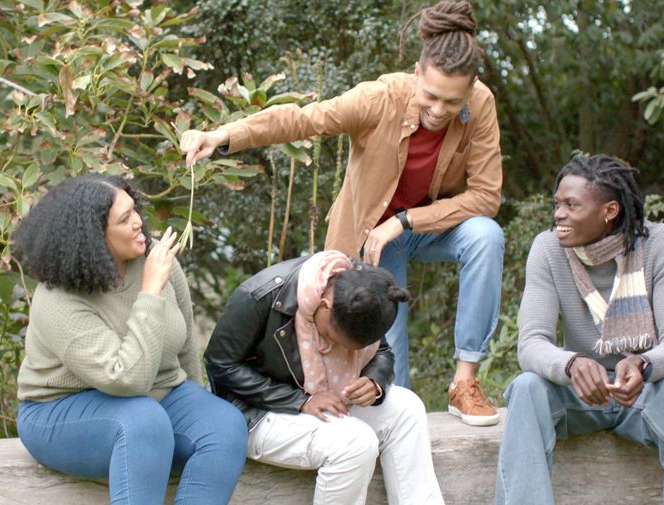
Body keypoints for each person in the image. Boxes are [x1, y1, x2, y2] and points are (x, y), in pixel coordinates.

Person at [182, 0, 504, 426]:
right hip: (368, 240)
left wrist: (404, 221)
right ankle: (393, 429)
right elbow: (302, 120)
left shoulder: (480, 104)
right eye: (431, 96)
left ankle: (464, 382)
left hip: (424, 228)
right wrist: (224, 135)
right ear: (415, 74)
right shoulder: (379, 98)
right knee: (391, 368)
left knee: (486, 235)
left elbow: (486, 195)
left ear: (471, 87)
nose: (439, 111)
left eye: (452, 101)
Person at [493, 155, 664, 505]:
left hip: (644, 392)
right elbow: (531, 344)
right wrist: (570, 364)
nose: (559, 214)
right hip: (580, 394)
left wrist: (645, 364)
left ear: (610, 211)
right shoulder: (548, 248)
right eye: (556, 204)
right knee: (526, 386)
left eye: (571, 206)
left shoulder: (661, 245)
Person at [12, 174, 248, 505]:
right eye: (124, 220)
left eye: (134, 209)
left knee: (224, 425)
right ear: (91, 238)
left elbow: (186, 340)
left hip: (155, 398)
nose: (139, 221)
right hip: (60, 411)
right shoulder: (58, 300)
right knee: (143, 421)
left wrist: (197, 403)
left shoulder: (154, 261)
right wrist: (150, 293)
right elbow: (127, 378)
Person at [205, 250, 455, 505]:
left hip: (326, 400)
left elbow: (382, 352)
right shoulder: (260, 296)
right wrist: (299, 401)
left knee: (406, 407)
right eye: (335, 339)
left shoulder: (364, 290)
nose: (342, 351)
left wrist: (374, 379)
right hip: (257, 412)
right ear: (323, 305)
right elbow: (220, 364)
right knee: (355, 442)